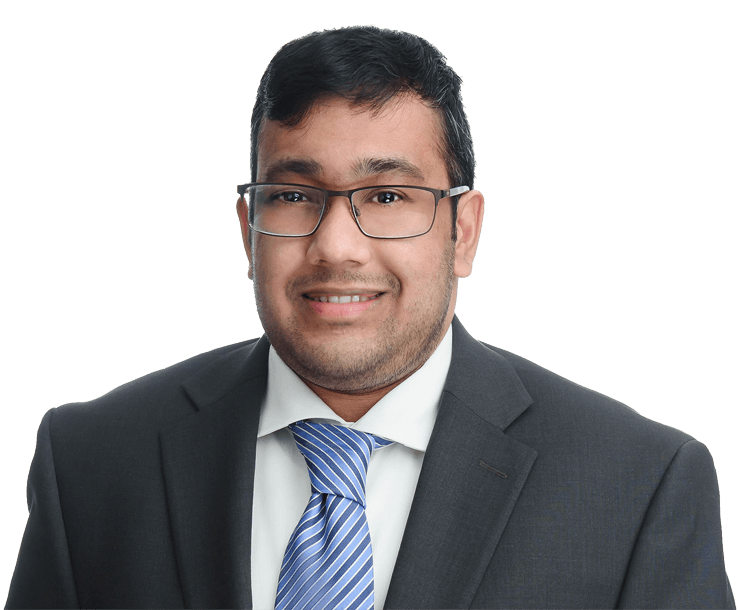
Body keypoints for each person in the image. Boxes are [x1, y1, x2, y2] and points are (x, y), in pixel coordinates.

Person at [4, 25, 734, 610]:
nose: (336, 246)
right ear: (247, 230)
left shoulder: (639, 486)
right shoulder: (94, 461)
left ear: (464, 232)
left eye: (386, 198)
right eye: (294, 196)